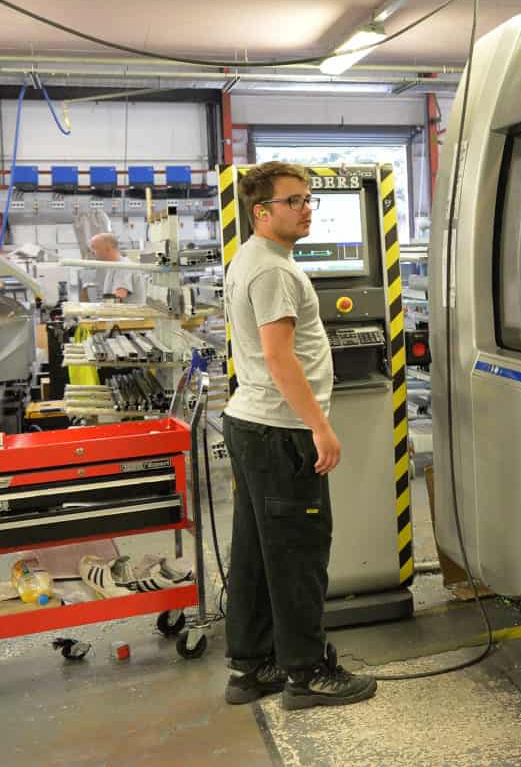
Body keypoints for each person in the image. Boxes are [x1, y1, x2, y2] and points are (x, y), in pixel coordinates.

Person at [220, 161, 376, 709]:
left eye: (310, 200)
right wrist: (320, 427)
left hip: (253, 422)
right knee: (298, 554)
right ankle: (307, 673)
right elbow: (278, 356)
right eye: (295, 201)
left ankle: (251, 664)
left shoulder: (256, 260)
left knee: (259, 552)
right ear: (262, 212)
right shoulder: (273, 271)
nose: (307, 209)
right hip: (280, 430)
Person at [88, 232, 143, 303]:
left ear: (107, 248)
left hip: (127, 313)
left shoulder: (123, 267)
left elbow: (119, 296)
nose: (92, 252)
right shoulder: (114, 266)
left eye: (94, 248)